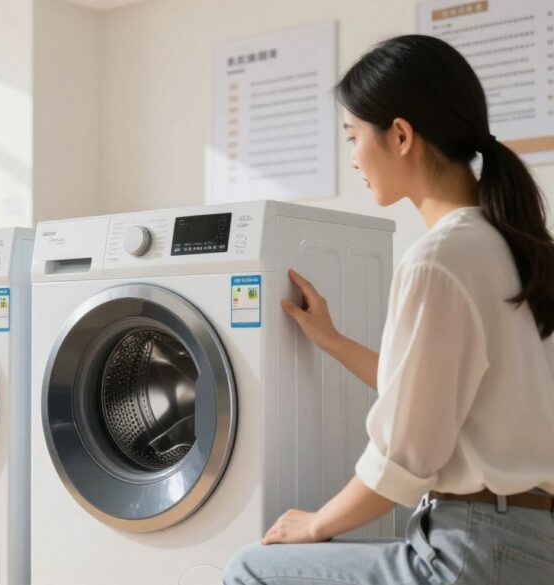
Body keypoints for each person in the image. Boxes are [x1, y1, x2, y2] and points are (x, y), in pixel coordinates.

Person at [222, 34, 554, 584]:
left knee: (250, 569)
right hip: (527, 544)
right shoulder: (518, 245)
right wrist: (332, 341)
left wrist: (316, 524)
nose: (352, 158)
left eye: (353, 136)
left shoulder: (440, 257)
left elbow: (405, 457)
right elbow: (438, 400)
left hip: (474, 549)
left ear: (400, 135)